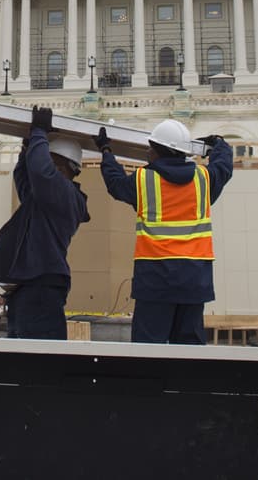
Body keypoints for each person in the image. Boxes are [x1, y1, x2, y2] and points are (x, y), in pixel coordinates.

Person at [95, 119, 233, 345]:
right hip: (194, 281)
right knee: (190, 351)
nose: (148, 152)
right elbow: (224, 168)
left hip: (155, 281)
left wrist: (106, 151)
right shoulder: (203, 179)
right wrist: (220, 146)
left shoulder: (143, 180)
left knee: (149, 350)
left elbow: (115, 183)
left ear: (157, 152)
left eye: (150, 147)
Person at [0, 106, 90, 340]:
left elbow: (40, 171)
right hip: (32, 285)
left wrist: (40, 132)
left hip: (42, 285)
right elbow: (24, 179)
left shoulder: (65, 194)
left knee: (39, 355)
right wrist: (26, 148)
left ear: (62, 168)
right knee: (24, 352)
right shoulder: (45, 199)